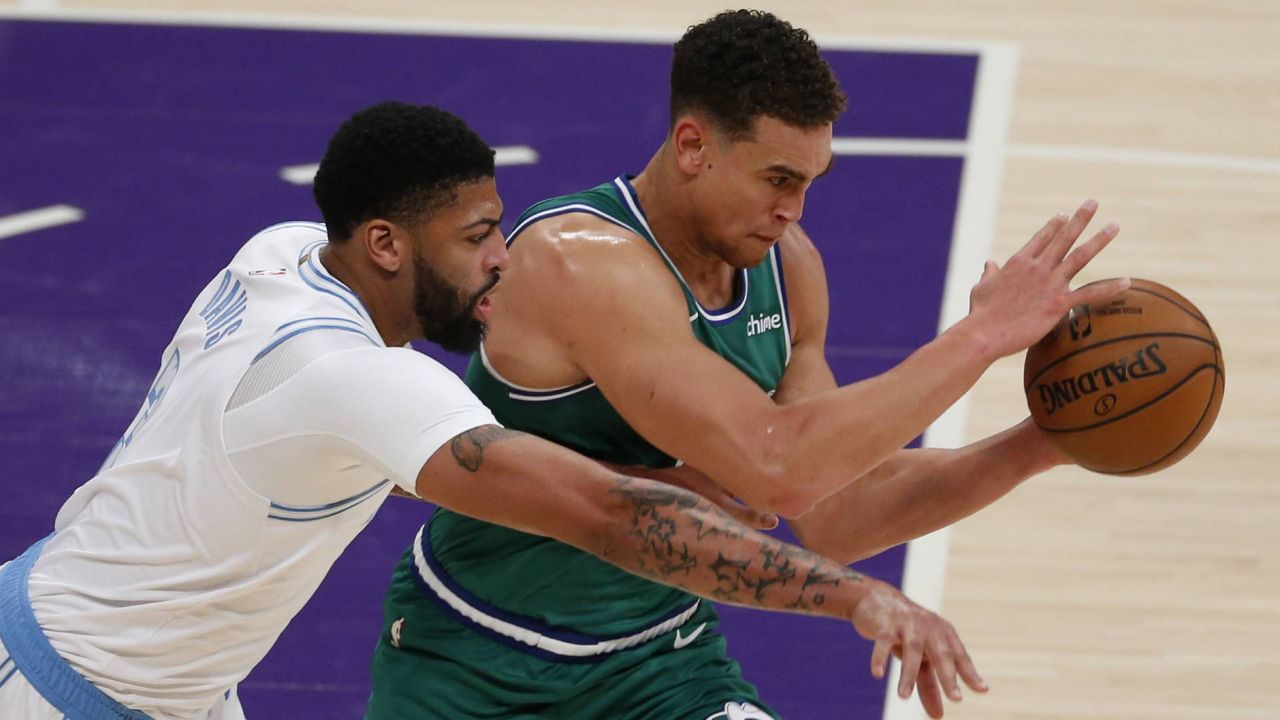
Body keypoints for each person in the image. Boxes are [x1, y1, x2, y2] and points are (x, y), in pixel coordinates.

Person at [0, 101, 981, 720]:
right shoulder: (361, 382)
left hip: (130, 654)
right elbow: (600, 517)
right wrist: (855, 595)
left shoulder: (285, 252)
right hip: (67, 685)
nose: (500, 259)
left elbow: (550, 476)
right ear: (384, 245)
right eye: (474, 238)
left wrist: (647, 473)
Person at [365, 10, 1129, 720]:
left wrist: (1044, 443)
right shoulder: (579, 261)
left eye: (808, 183)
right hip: (476, 661)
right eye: (778, 180)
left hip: (661, 667)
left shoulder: (789, 270)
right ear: (694, 146)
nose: (794, 209)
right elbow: (775, 465)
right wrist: (980, 338)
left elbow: (838, 512)